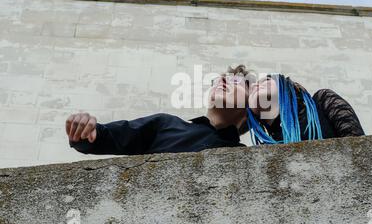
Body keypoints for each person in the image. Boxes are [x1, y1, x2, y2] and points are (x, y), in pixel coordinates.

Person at [66, 65, 255, 155]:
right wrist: (86, 132)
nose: (222, 80)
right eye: (219, 79)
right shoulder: (165, 125)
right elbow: (109, 137)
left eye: (235, 81)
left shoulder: (244, 157)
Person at [246, 73, 364, 145]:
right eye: (251, 91)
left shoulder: (322, 101)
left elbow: (357, 148)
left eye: (266, 80)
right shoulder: (267, 145)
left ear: (285, 86)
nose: (255, 86)